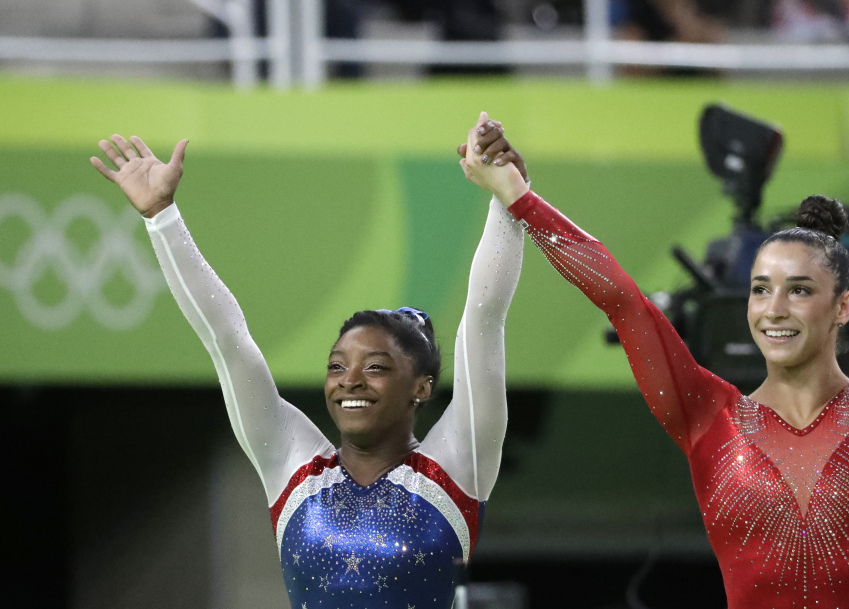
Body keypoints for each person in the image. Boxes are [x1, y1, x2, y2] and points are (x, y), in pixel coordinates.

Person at [459, 11, 849, 608]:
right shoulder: (708, 415)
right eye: (761, 288)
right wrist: (521, 200)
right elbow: (623, 301)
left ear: (844, 307)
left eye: (799, 290)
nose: (772, 308)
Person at [90, 112, 526, 609]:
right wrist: (162, 217)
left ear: (421, 387)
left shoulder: (457, 466)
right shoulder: (295, 468)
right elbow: (227, 341)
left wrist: (508, 200)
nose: (349, 382)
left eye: (376, 367)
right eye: (337, 366)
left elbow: (484, 316)